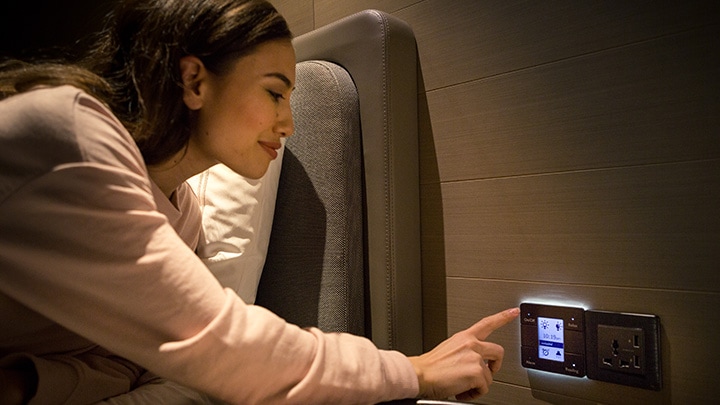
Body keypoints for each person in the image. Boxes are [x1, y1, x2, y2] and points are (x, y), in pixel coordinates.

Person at [0, 0, 520, 403]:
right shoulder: (72, 137)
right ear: (194, 80)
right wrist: (415, 371)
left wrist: (26, 385)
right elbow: (222, 345)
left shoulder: (180, 214)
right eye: (275, 92)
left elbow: (131, 363)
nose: (289, 124)